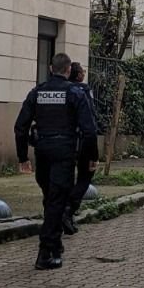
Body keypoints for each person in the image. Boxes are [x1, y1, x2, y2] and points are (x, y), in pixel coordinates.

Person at [15, 52, 98, 270]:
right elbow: (89, 131)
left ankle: (56, 244)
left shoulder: (37, 92)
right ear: (68, 70)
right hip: (64, 152)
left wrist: (22, 156)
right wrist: (91, 158)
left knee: (50, 197)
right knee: (56, 200)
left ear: (51, 68)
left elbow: (20, 126)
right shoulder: (74, 93)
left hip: (42, 151)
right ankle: (45, 252)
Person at [64, 61, 99, 236]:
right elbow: (90, 121)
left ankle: (60, 212)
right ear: (78, 75)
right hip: (83, 142)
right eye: (82, 72)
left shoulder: (60, 90)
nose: (84, 74)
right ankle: (69, 209)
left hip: (64, 142)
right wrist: (94, 152)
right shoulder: (83, 91)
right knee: (85, 176)